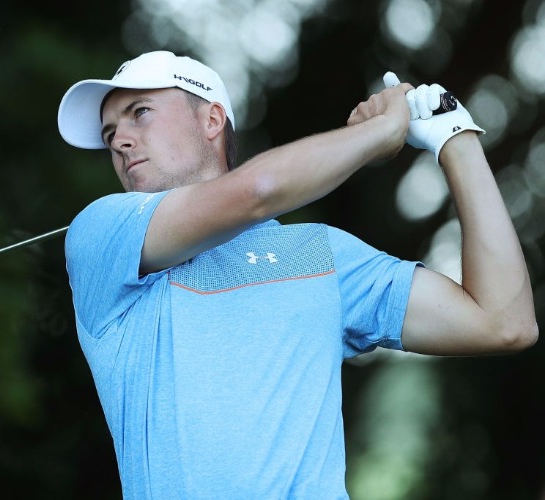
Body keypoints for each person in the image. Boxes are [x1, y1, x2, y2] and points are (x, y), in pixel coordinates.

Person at [56, 50, 538, 498]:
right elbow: (257, 190)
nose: (118, 140)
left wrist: (454, 137)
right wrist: (380, 132)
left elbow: (504, 322)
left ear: (211, 119)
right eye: (108, 133)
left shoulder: (321, 253)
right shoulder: (102, 234)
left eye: (140, 112)